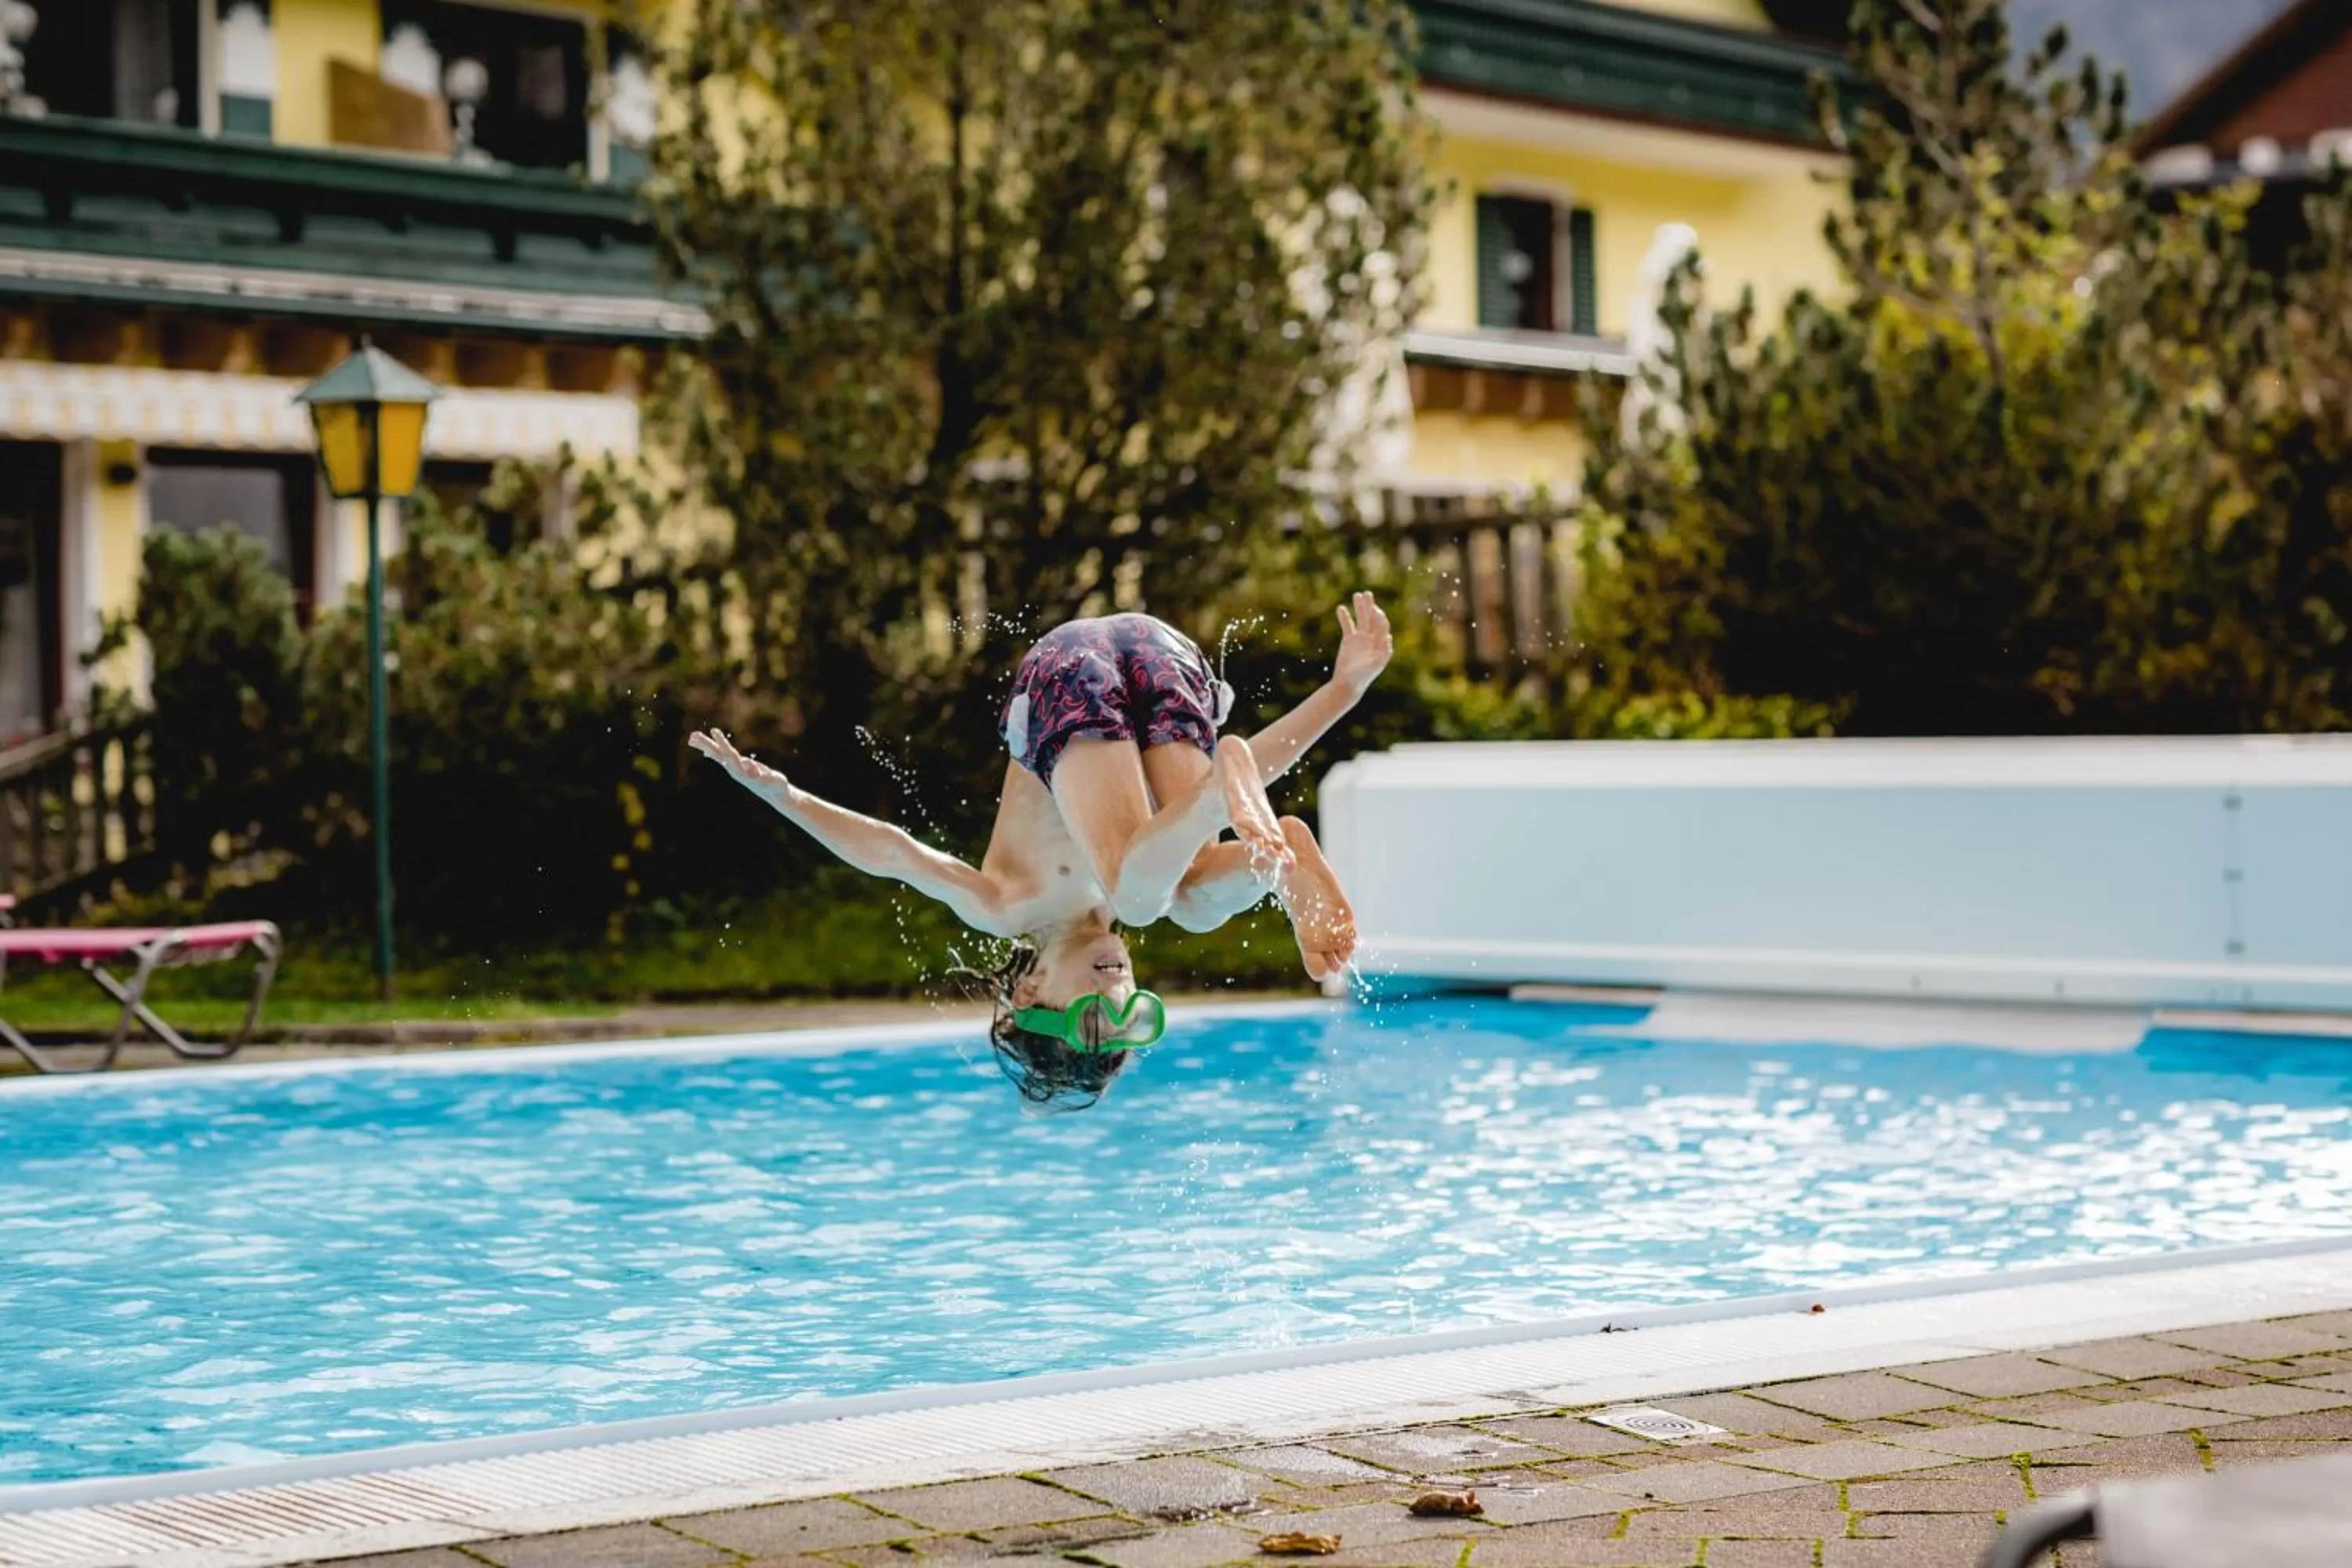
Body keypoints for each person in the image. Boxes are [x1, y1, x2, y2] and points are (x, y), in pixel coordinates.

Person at [689, 593, 1394, 1111]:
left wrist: (783, 795)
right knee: (1193, 902)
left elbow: (891, 854)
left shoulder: (1006, 903)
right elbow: (1223, 790)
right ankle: (1275, 863)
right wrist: (1343, 690)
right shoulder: (1150, 887)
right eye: (1131, 1015)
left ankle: (1241, 818)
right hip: (1162, 654)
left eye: (1092, 1016)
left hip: (1068, 674)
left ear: (1028, 993)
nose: (1117, 996)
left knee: (1145, 894)